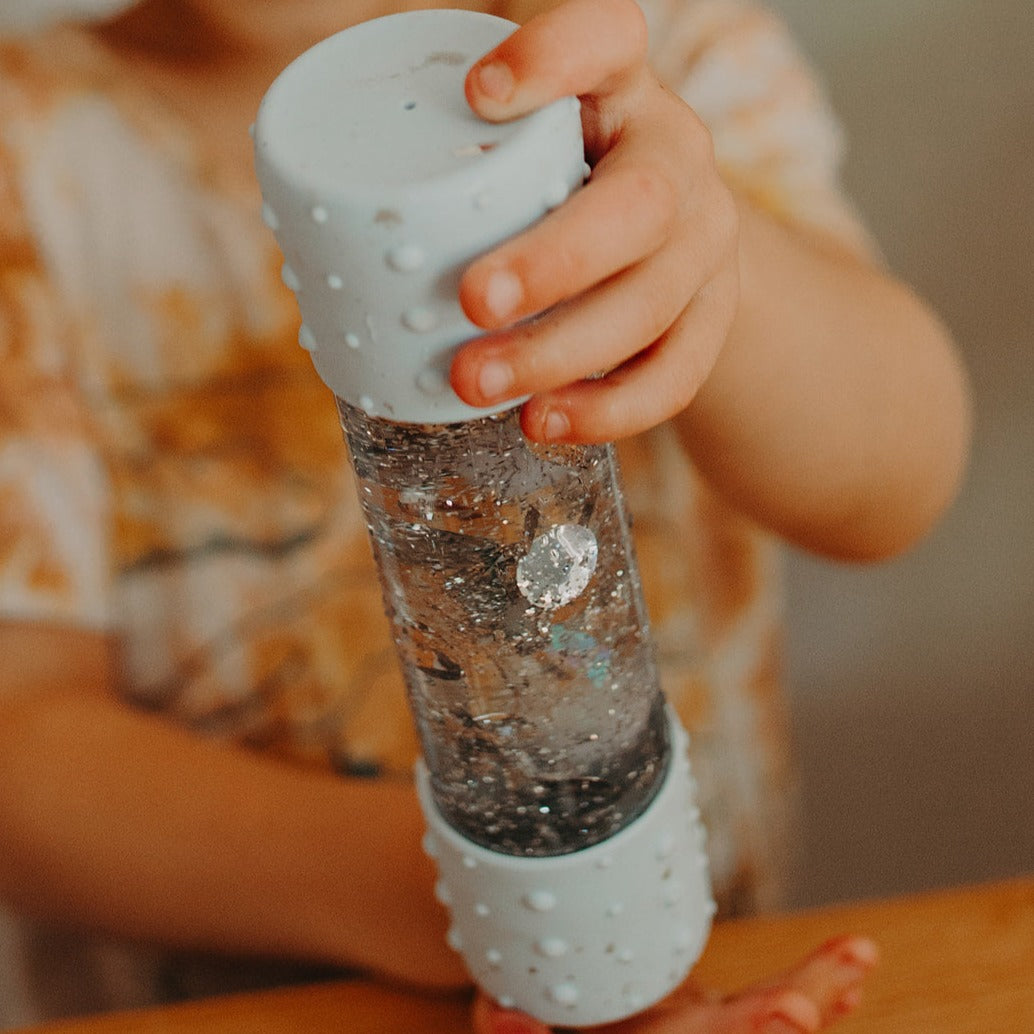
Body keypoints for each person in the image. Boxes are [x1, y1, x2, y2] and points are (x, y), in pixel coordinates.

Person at [0, 0, 969, 1030]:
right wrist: (485, 898)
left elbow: (897, 481)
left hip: (717, 962)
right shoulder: (26, 162)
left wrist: (702, 256)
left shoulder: (640, 48)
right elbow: (21, 741)